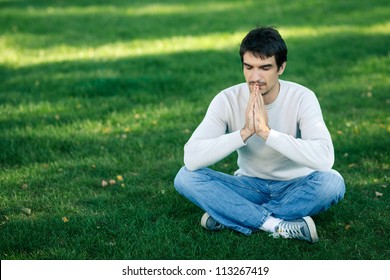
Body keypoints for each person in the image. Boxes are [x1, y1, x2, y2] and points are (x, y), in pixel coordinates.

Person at [174, 26, 345, 243]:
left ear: (281, 67)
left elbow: (324, 158)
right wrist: (244, 132)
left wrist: (266, 133)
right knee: (185, 177)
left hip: (297, 185)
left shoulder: (302, 97)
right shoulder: (227, 99)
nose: (255, 77)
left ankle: (232, 215)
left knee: (332, 183)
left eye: (265, 68)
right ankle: (275, 225)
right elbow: (191, 157)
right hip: (249, 185)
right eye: (249, 67)